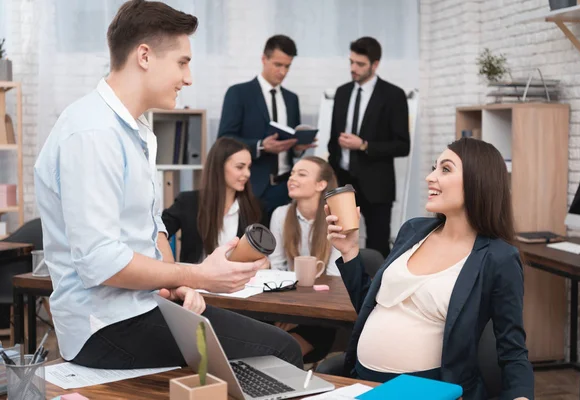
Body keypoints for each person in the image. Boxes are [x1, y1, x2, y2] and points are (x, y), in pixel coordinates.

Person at [33, 0, 302, 370]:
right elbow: (100, 262)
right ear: (144, 56)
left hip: (140, 306)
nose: (188, 77)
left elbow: (151, 225)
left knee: (265, 346)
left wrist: (181, 284)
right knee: (281, 351)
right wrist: (198, 274)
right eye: (182, 62)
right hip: (105, 326)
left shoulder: (136, 129)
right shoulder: (92, 132)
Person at [326, 138, 534, 400]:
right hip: (363, 383)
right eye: (434, 168)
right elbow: (371, 307)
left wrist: (521, 396)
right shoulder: (413, 230)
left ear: (478, 180)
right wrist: (349, 251)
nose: (429, 177)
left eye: (445, 169)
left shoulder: (499, 257)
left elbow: (512, 349)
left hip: (432, 391)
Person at [327, 37, 410, 258]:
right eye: (351, 62)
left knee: (377, 247)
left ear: (375, 64)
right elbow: (333, 138)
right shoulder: (342, 92)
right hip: (343, 182)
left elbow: (403, 146)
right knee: (339, 243)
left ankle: (375, 291)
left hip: (377, 185)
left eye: (360, 64)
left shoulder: (393, 95)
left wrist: (363, 145)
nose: (353, 68)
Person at [218, 35, 314, 224]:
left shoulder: (291, 99)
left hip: (286, 187)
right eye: (278, 64)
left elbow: (290, 142)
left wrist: (297, 148)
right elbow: (224, 140)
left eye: (287, 66)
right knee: (252, 246)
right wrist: (261, 146)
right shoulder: (239, 93)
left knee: (284, 246)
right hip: (252, 186)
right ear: (264, 59)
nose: (282, 72)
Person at [269, 156, 341, 362]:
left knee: (283, 352)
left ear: (321, 184)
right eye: (292, 173)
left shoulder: (338, 218)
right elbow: (277, 267)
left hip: (321, 313)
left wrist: (300, 317)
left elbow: (335, 278)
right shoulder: (280, 214)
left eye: (301, 174)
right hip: (286, 304)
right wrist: (289, 314)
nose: (292, 178)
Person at [162, 137, 262, 264]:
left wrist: (263, 262)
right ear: (219, 167)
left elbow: (260, 254)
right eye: (240, 167)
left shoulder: (254, 208)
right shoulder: (188, 202)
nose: (247, 173)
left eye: (249, 167)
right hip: (194, 281)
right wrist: (169, 266)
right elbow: (157, 232)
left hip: (238, 282)